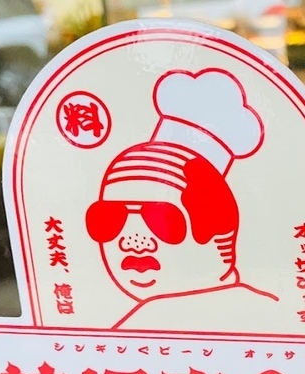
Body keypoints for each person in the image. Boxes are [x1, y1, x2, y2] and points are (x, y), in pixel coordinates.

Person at [84, 68, 280, 330]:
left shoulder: (264, 318)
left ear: (218, 230)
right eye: (108, 218)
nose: (133, 240)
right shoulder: (135, 324)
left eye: (160, 218)